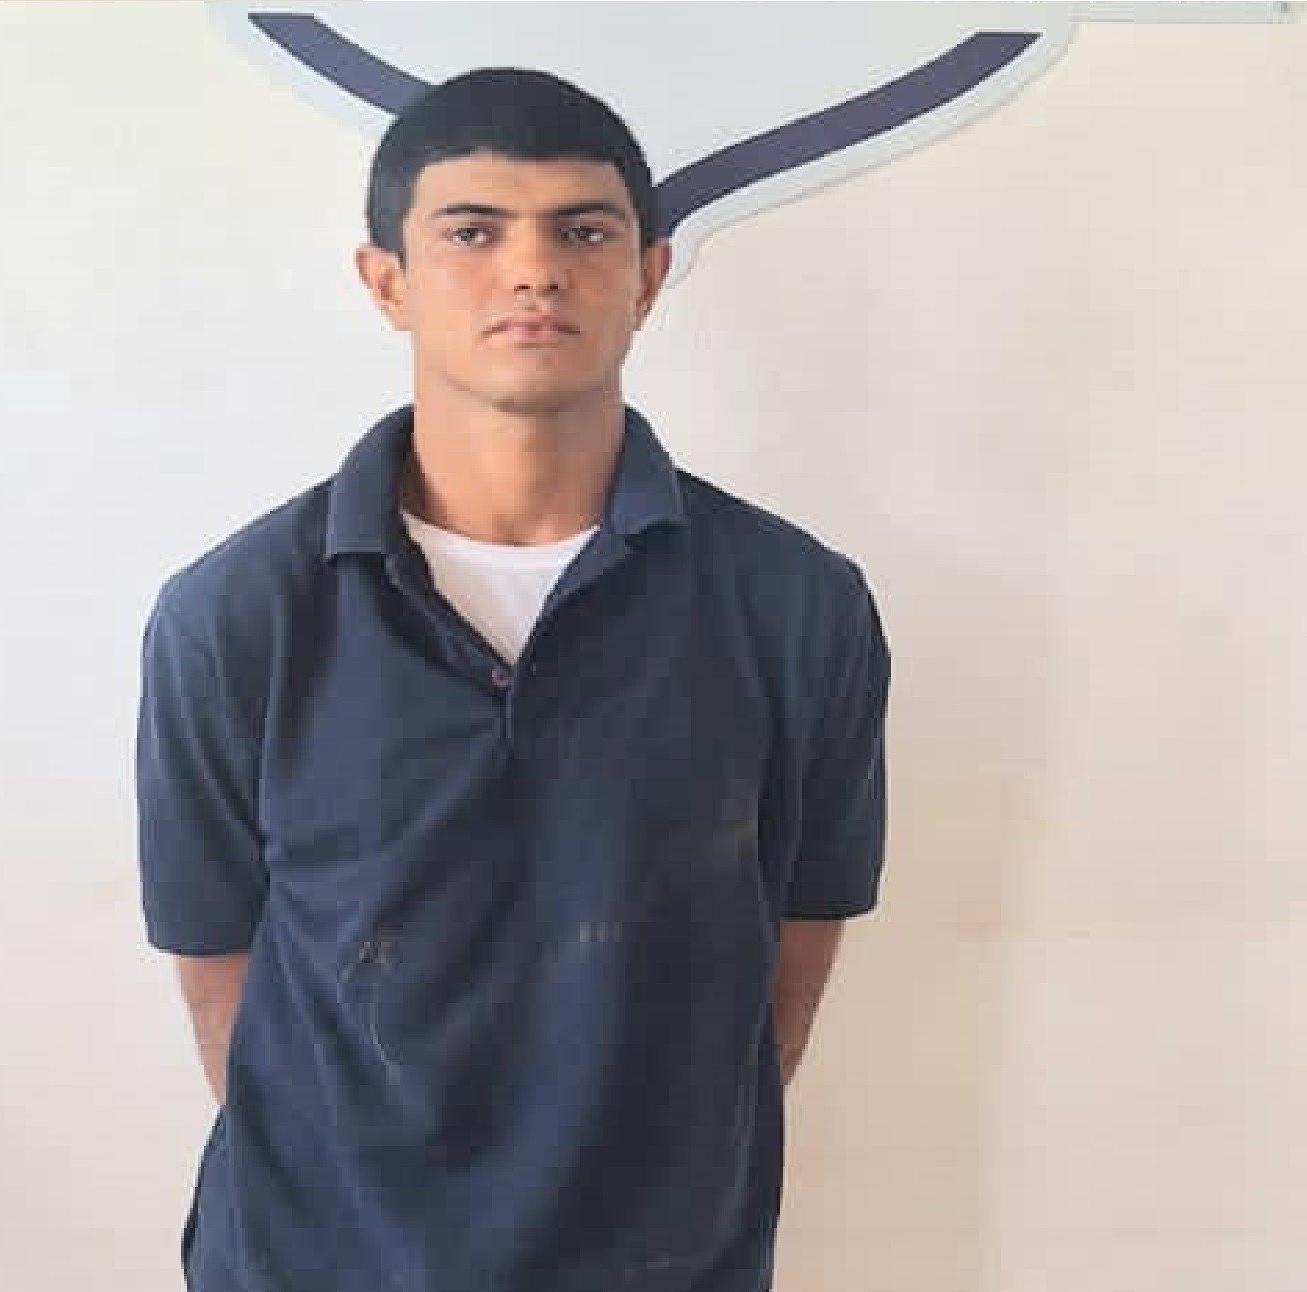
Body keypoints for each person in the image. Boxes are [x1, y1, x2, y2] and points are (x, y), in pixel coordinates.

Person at [136, 66, 891, 1292]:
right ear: (386, 281)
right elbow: (219, 962)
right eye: (473, 231)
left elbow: (793, 940)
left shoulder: (797, 605)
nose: (533, 270)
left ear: (648, 275)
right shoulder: (236, 615)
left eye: (583, 231)